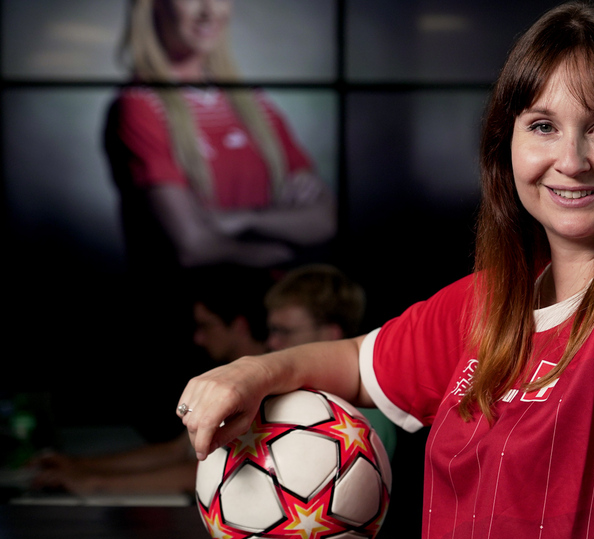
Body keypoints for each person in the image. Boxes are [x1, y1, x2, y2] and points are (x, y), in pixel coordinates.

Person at [178, 4, 594, 539]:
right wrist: (251, 372)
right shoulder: (495, 299)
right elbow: (355, 363)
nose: (571, 160)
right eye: (542, 125)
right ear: (504, 144)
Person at [102, 0, 336, 437]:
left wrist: (235, 222)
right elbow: (192, 246)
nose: (210, 10)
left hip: (263, 342)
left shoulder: (254, 105)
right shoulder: (140, 106)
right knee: (200, 482)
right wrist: (283, 237)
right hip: (186, 344)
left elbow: (323, 220)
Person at [31, 266, 273, 496]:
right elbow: (178, 450)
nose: (198, 338)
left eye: (205, 326)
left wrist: (95, 483)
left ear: (240, 326)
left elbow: (222, 470)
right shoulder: (228, 377)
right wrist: (80, 466)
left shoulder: (264, 387)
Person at [264, 264, 398, 458]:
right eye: (272, 330)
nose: (272, 342)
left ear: (331, 334)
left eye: (284, 331)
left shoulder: (362, 418)